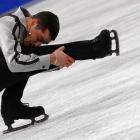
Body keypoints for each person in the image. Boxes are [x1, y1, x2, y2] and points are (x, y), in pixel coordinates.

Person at [0, 7, 119, 130]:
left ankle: (11, 106)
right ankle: (93, 49)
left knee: (28, 56)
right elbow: (14, 62)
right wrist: (52, 59)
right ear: (33, 22)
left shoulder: (24, 29)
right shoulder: (8, 24)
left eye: (42, 43)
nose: (37, 44)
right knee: (24, 56)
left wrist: (55, 61)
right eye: (40, 38)